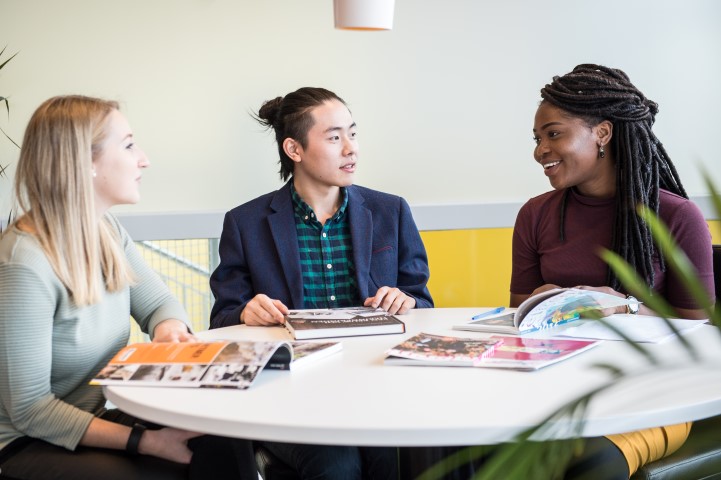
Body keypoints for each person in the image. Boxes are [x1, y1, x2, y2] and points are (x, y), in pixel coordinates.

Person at [0, 95, 257, 480]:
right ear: (85, 162)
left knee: (221, 436)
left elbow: (158, 303)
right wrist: (145, 441)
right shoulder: (24, 264)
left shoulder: (104, 229)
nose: (144, 159)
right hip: (30, 439)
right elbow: (30, 410)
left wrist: (169, 330)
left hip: (105, 408)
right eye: (129, 145)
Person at [209, 86, 433, 479]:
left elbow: (423, 303)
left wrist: (407, 301)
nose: (351, 149)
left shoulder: (389, 210)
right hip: (290, 394)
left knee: (392, 457)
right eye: (334, 137)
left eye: (353, 133)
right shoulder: (245, 223)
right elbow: (222, 320)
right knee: (337, 464)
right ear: (294, 149)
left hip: (376, 384)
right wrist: (246, 311)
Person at [511, 64, 716, 478]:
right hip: (554, 388)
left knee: (588, 462)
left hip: (654, 393)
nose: (540, 150)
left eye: (553, 134)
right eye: (537, 139)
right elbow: (516, 313)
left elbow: (699, 330)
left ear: (602, 133)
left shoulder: (677, 216)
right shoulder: (535, 214)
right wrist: (543, 303)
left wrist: (624, 307)